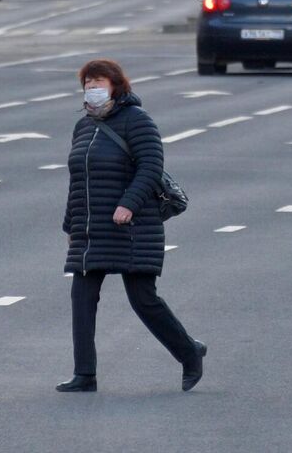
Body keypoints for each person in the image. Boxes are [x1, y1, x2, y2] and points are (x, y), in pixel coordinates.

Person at [58, 58, 206, 394]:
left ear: (116, 86)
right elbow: (77, 181)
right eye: (88, 83)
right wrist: (70, 226)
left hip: (133, 225)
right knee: (82, 297)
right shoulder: (83, 127)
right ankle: (85, 374)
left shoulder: (137, 121)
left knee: (143, 298)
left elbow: (151, 167)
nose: (93, 89)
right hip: (90, 227)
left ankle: (190, 352)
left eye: (99, 82)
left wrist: (129, 203)